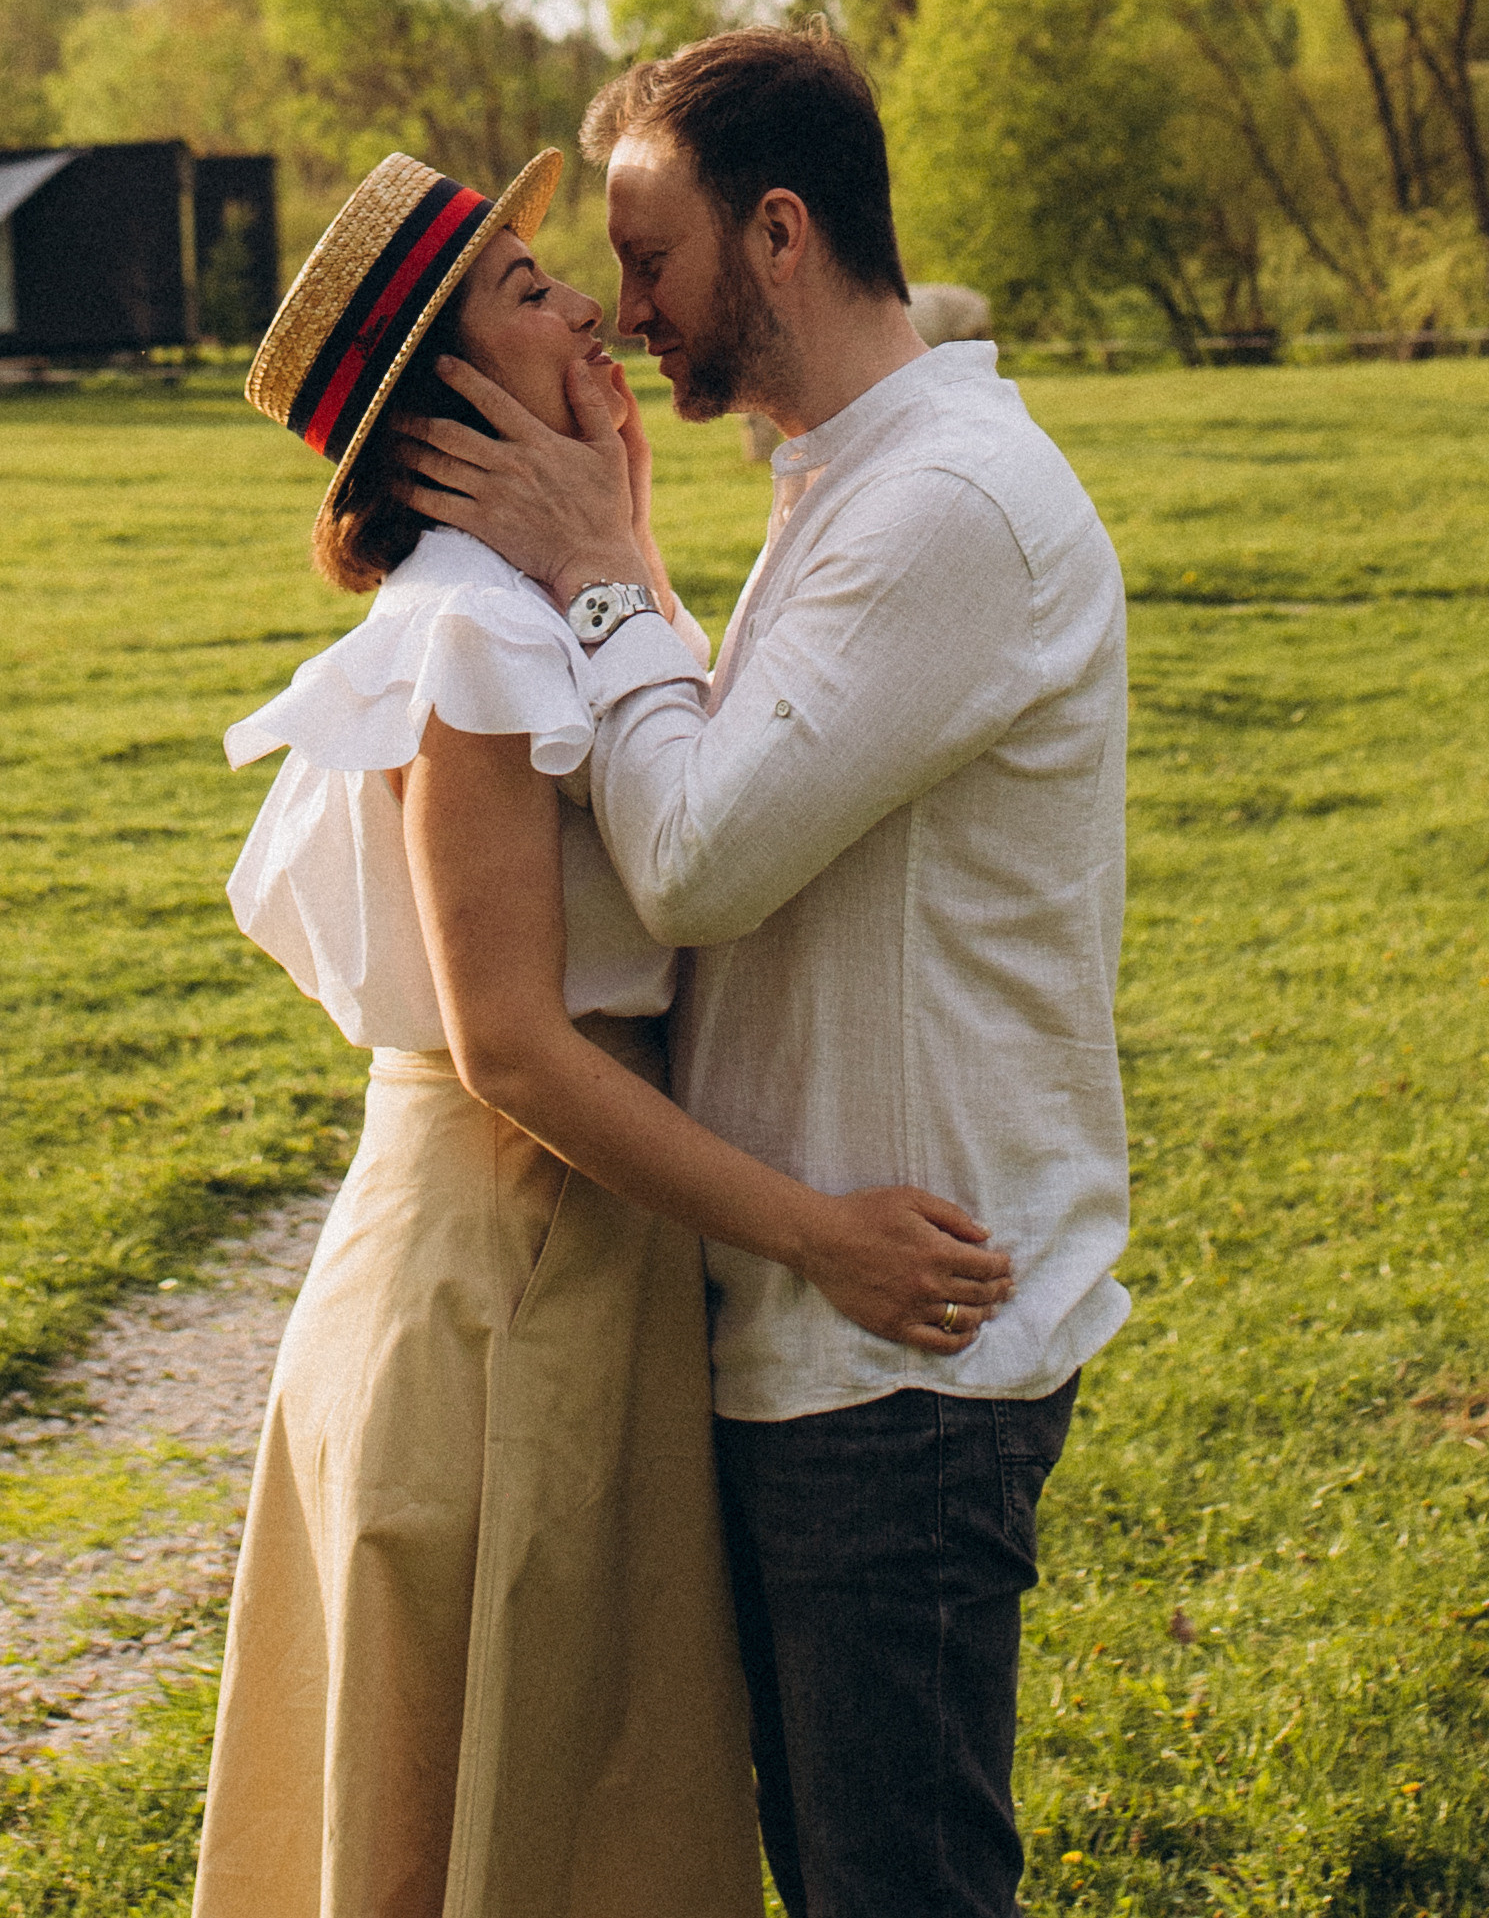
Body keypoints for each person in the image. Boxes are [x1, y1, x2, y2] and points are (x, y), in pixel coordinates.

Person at [194, 142, 1013, 1918]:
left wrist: (620, 532)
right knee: (511, 1815)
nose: (582, 299)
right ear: (455, 391)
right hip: (506, 1277)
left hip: (574, 1264)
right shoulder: (469, 636)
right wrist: (818, 1234)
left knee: (581, 1803)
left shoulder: (540, 601)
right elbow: (509, 1043)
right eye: (522, 283)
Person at [394, 28, 1132, 1918]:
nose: (624, 313)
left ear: (779, 232)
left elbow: (703, 852)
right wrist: (619, 550)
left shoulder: (944, 504)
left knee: (897, 1887)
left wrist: (601, 574)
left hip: (902, 1327)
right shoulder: (845, 477)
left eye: (648, 258)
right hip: (828, 1310)